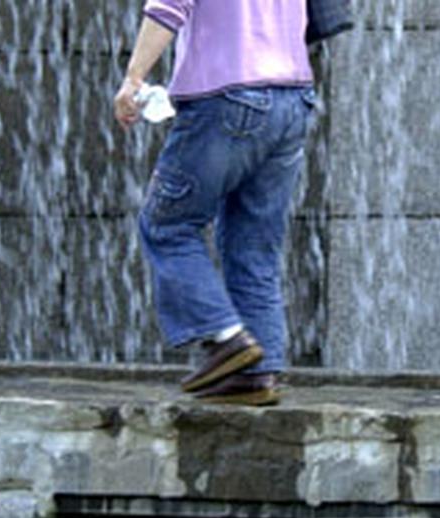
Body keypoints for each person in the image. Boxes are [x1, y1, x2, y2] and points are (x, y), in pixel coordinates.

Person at [114, 1, 318, 406]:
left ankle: (226, 337)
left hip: (225, 96)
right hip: (293, 99)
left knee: (166, 226)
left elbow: (169, 6)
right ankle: (258, 375)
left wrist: (134, 77)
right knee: (253, 246)